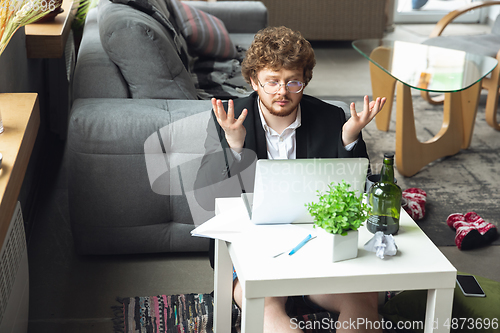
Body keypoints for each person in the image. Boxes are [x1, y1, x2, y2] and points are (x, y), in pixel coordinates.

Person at [194, 26, 386, 333]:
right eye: (271, 82)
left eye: (292, 82)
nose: (282, 92)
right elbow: (207, 199)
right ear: (254, 81)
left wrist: (349, 140)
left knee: (363, 303)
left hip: (319, 243)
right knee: (269, 312)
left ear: (305, 80)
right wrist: (235, 147)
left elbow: (356, 192)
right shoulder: (229, 119)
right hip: (254, 247)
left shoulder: (331, 117)